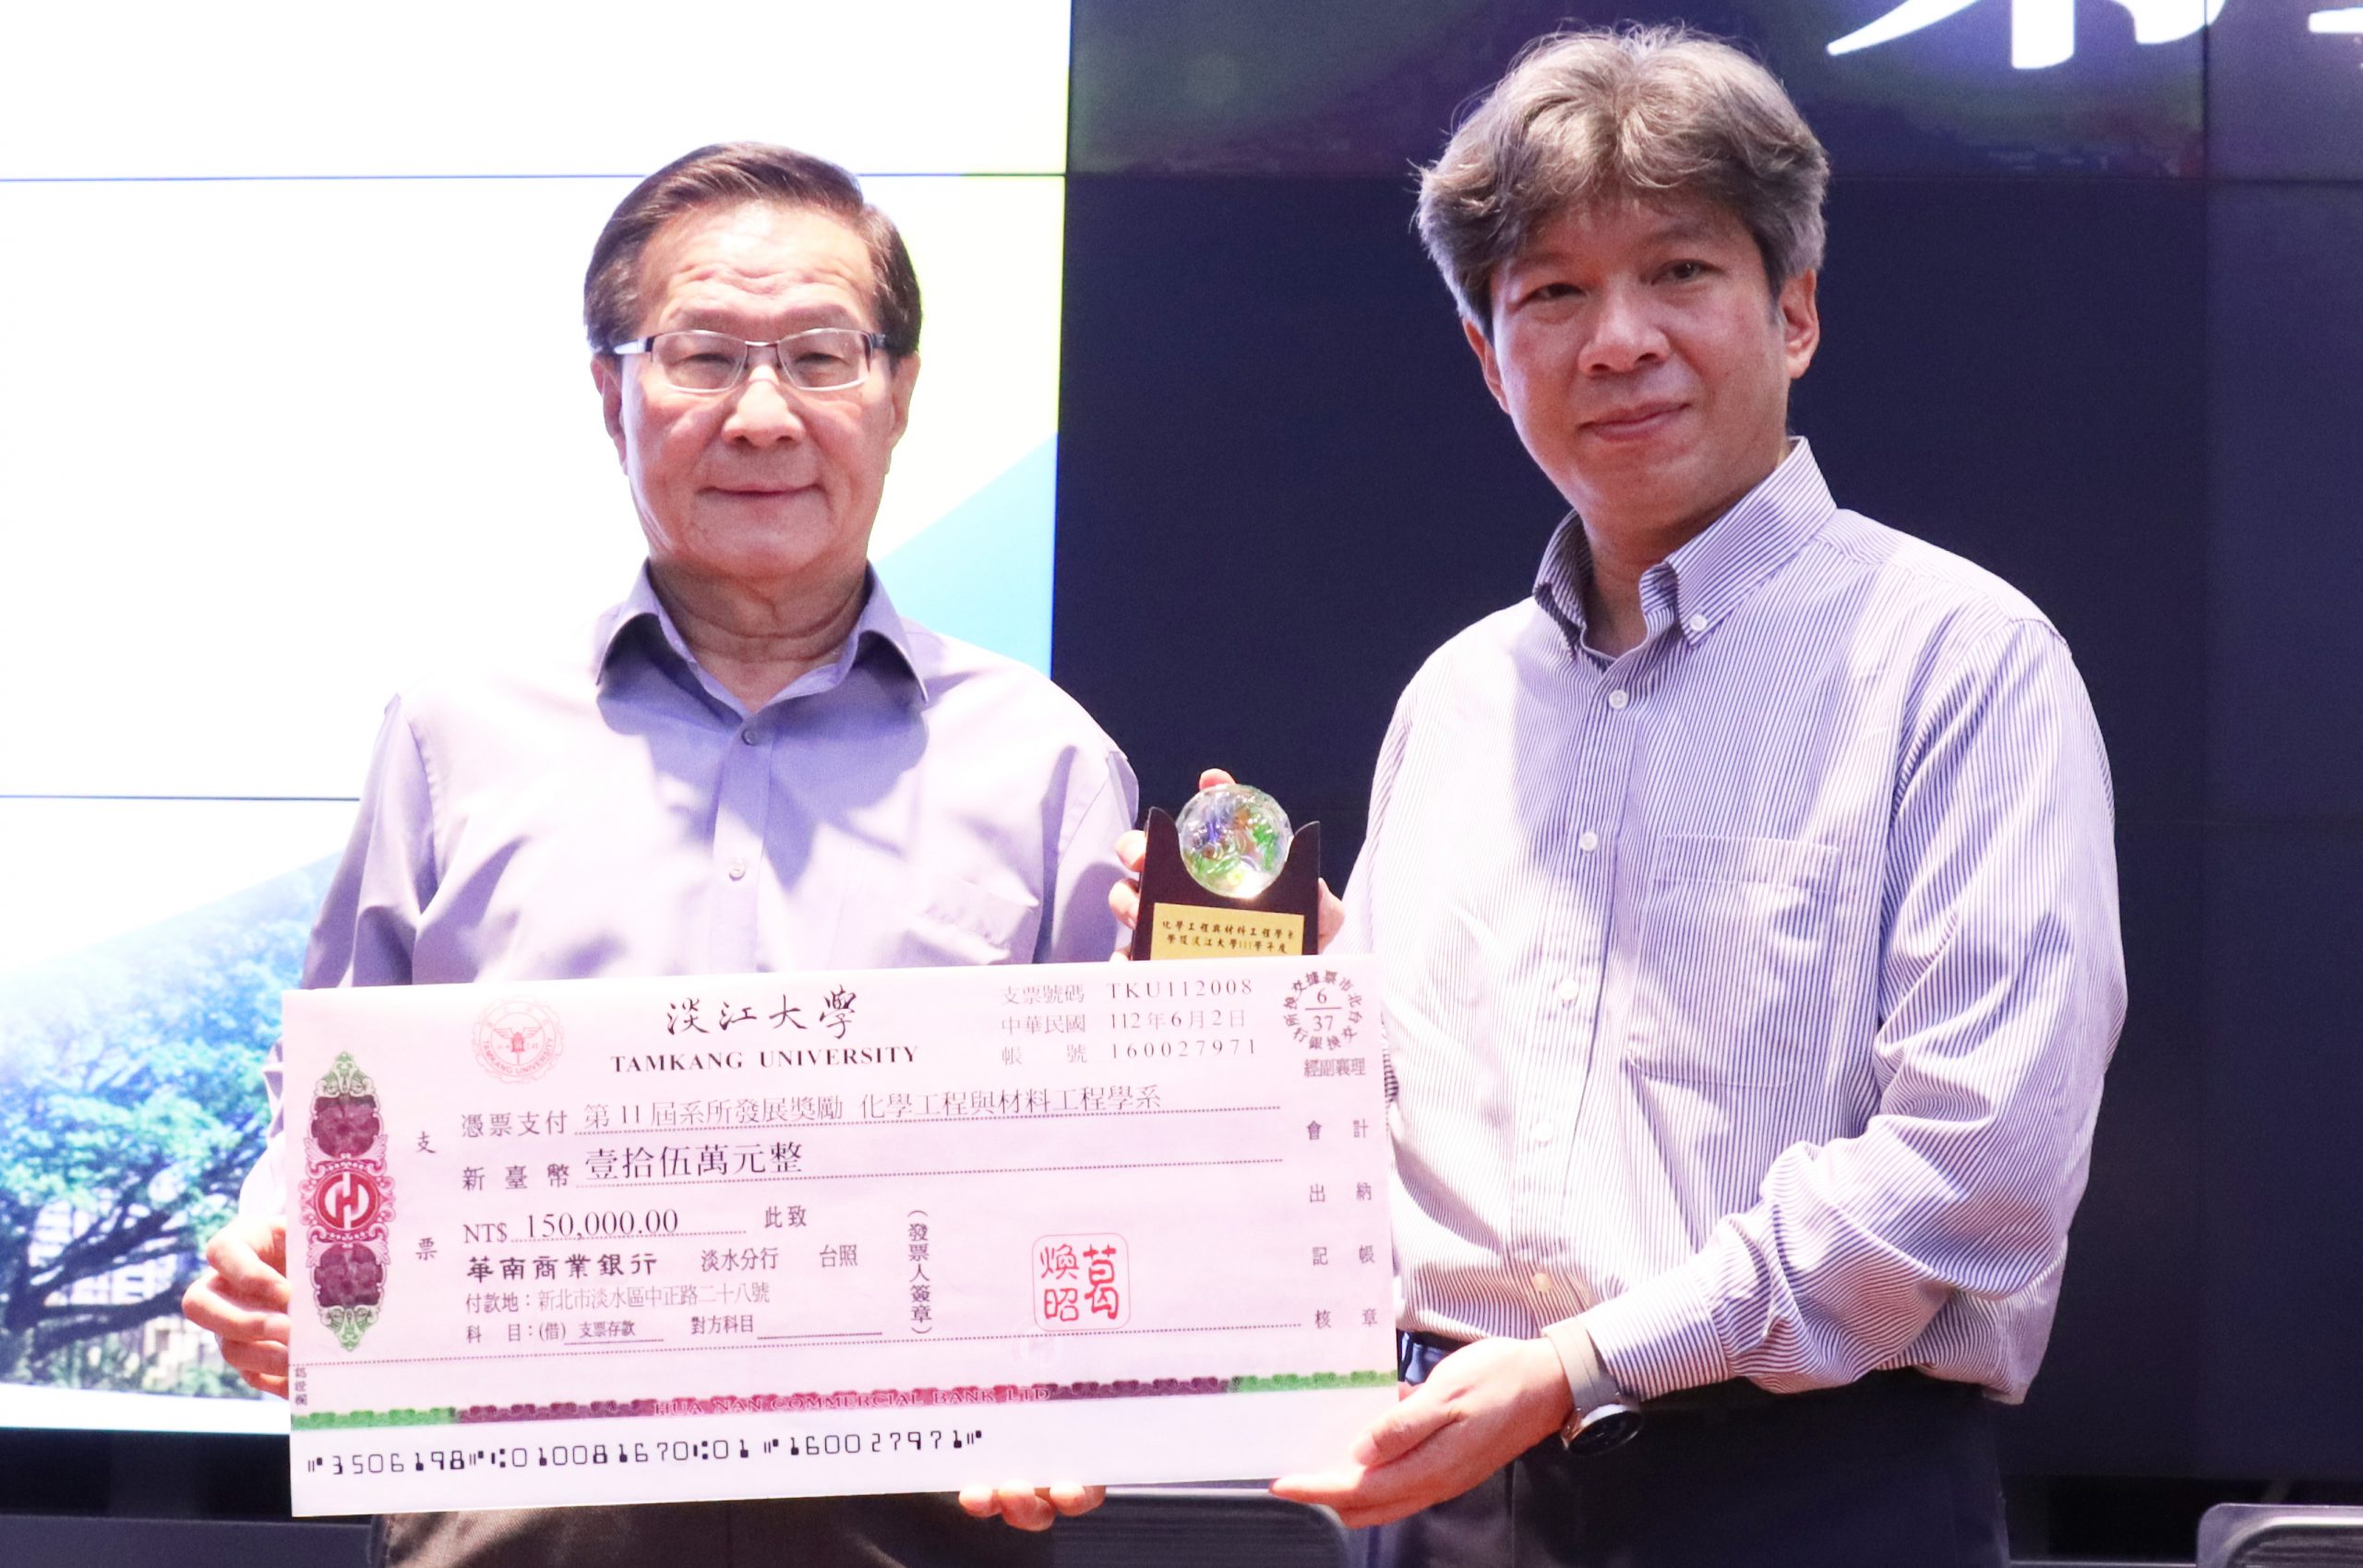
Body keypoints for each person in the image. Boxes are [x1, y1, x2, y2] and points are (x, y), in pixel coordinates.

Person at [1117, 26, 2124, 1568]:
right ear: (1487, 357)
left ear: (1794, 311)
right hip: (1444, 1488)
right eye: (1553, 294)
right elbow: (1396, 1129)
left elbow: (1972, 1176)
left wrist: (1582, 1367)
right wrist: (1289, 997)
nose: (1619, 340)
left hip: (1808, 1495)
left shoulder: (1961, 662)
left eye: (1680, 272)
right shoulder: (1458, 698)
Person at [181, 142, 1129, 1568]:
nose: (763, 415)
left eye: (821, 356)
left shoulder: (1046, 759)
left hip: (923, 1527)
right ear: (609, 391)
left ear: (899, 392)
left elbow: (1125, 1163)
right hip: (518, 1520)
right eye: (704, 357)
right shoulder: (453, 734)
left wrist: (1094, 1393)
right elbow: (337, 1093)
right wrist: (282, 1259)